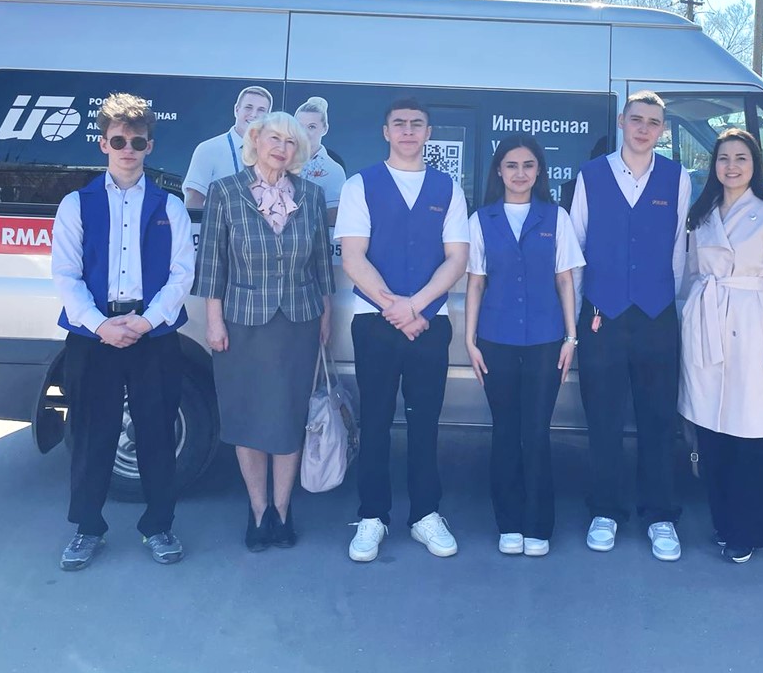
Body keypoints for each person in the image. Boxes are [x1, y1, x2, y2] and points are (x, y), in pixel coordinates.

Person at [51, 93, 194, 571]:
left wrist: (147, 321)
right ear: (103, 144)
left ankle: (159, 525)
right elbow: (65, 274)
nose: (127, 149)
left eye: (137, 141)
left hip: (153, 335)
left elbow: (181, 275)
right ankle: (87, 528)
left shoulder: (170, 206)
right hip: (94, 336)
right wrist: (100, 325)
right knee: (92, 434)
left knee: (157, 433)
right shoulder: (77, 204)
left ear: (150, 146)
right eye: (118, 141)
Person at [335, 98, 469, 562]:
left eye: (417, 124)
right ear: (386, 132)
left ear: (428, 133)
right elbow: (353, 256)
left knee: (425, 423)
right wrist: (395, 306)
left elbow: (457, 258)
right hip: (374, 322)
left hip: (431, 323)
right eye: (400, 124)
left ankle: (425, 515)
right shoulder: (360, 185)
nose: (408, 131)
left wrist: (416, 305)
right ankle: (372, 516)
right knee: (374, 422)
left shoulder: (448, 188)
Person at [193, 111, 334, 552]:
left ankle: (283, 509)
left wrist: (325, 317)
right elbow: (212, 263)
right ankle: (258, 510)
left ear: (299, 151)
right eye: (274, 138)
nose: (281, 148)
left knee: (289, 418)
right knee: (248, 418)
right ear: (255, 140)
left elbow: (322, 264)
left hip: (298, 322)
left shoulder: (311, 195)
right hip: (241, 325)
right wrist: (213, 321)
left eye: (291, 142)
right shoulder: (225, 192)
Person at [570, 90, 689, 562]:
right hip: (602, 315)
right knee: (603, 420)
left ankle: (660, 515)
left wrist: (661, 301)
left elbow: (678, 250)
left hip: (656, 316)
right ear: (622, 121)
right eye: (636, 119)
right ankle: (606, 510)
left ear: (662, 130)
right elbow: (576, 248)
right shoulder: (590, 175)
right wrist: (581, 317)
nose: (643, 128)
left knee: (658, 420)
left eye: (653, 122)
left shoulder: (677, 178)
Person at [678, 128, 763, 565]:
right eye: (723, 158)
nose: (731, 166)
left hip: (752, 329)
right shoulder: (702, 214)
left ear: (754, 165)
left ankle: (748, 531)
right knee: (711, 435)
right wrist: (687, 323)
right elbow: (691, 275)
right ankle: (722, 523)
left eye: (741, 158)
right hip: (706, 324)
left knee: (750, 437)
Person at [464, 135, 584, 557]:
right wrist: (469, 340)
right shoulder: (482, 219)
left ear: (539, 172)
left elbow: (565, 280)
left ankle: (538, 524)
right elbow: (475, 283)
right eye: (511, 165)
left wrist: (571, 337)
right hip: (495, 339)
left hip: (545, 341)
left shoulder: (556, 217)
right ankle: (509, 522)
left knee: (535, 432)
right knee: (505, 431)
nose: (520, 173)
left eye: (528, 165)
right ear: (499, 171)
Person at [183, 86, 273, 208]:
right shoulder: (208, 150)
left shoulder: (271, 154)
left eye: (261, 110)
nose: (254, 114)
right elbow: (194, 201)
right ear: (236, 110)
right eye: (248, 107)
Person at [295, 96, 347, 224]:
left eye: (311, 127)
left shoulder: (333, 170)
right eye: (300, 126)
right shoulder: (280, 161)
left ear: (325, 129)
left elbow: (332, 219)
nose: (304, 132)